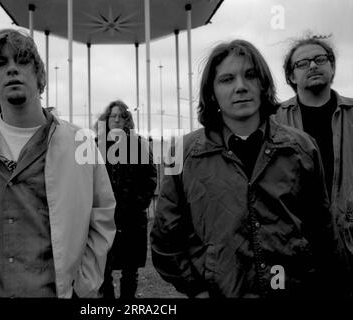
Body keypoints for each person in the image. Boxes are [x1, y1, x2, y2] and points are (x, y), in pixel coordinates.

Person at [0, 29, 116, 298]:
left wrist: (82, 286)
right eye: (0, 63)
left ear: (39, 75)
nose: (12, 69)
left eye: (22, 60)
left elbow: (102, 216)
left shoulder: (80, 143)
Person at [150, 39, 336, 298]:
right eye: (227, 79)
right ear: (212, 92)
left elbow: (322, 233)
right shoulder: (184, 154)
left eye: (250, 75)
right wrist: (198, 288)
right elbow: (165, 240)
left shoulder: (301, 148)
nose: (240, 87)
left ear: (263, 84)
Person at [274, 36, 353, 296]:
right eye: (303, 63)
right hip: (296, 246)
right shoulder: (273, 120)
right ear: (291, 75)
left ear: (332, 66)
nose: (313, 66)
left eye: (320, 59)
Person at [95, 100, 157, 298]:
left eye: (121, 116)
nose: (116, 120)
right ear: (106, 119)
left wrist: (139, 202)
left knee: (130, 269)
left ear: (127, 120)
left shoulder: (138, 144)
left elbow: (150, 175)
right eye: (112, 116)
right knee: (103, 267)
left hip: (131, 216)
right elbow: (85, 177)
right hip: (103, 216)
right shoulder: (96, 145)